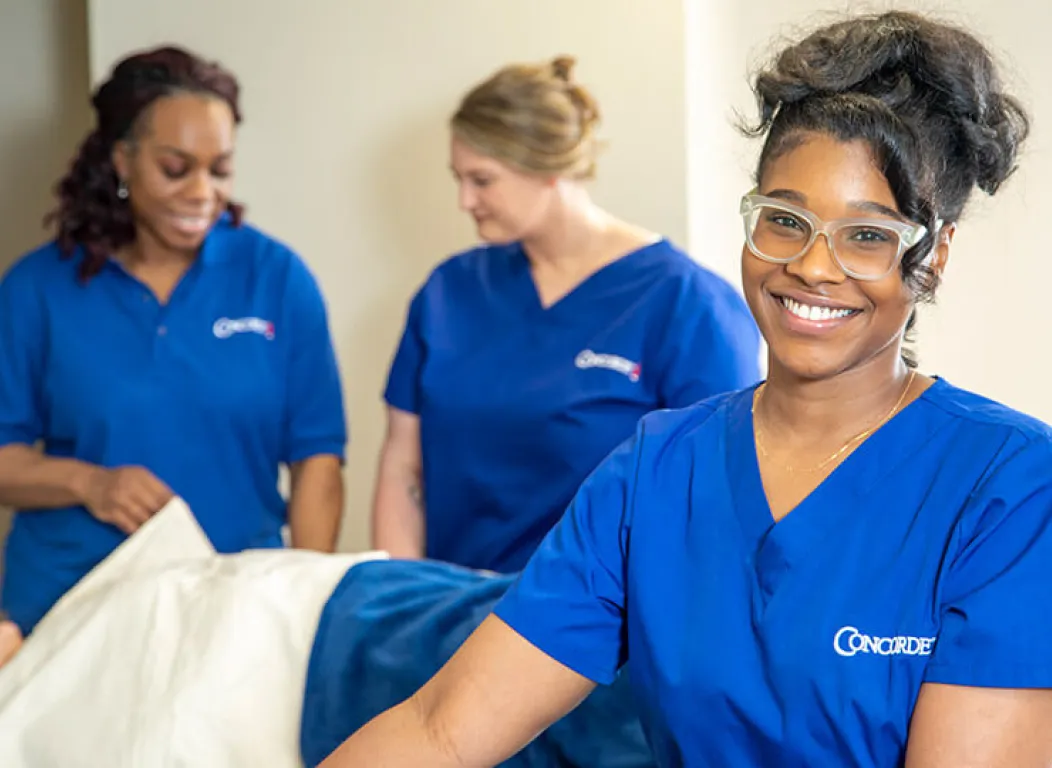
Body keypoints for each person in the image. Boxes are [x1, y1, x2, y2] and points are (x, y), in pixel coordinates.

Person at [319, 11, 1052, 767]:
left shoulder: (1008, 487)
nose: (812, 266)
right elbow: (441, 730)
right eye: (784, 220)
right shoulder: (656, 471)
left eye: (868, 235)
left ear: (934, 257)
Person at [0, 45, 347, 636]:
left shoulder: (276, 279)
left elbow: (318, 459)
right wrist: (91, 483)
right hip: (68, 610)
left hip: (234, 609)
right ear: (122, 160)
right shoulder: (37, 288)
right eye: (175, 168)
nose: (202, 192)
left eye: (220, 170)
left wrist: (306, 605)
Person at [373, 55, 761, 573]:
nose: (464, 200)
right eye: (458, 179)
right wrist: (400, 592)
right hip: (448, 605)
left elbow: (716, 499)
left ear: (547, 169)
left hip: (600, 615)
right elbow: (403, 466)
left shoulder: (686, 303)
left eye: (482, 180)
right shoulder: (449, 291)